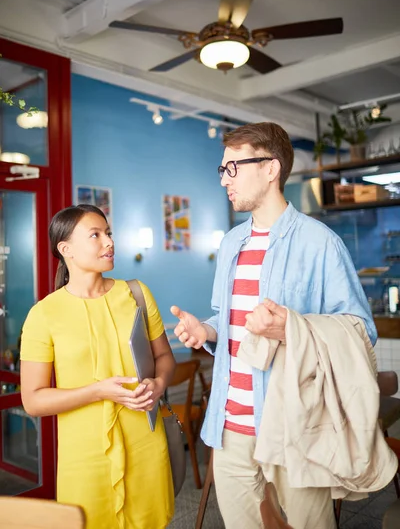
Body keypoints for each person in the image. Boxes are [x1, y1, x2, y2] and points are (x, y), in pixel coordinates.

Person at [171, 122, 377, 529]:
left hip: (295, 424)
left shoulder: (321, 243)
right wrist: (206, 331)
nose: (224, 181)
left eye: (233, 168)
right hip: (231, 424)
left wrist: (293, 328)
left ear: (270, 168)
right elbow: (226, 318)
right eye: (221, 170)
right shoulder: (231, 244)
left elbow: (360, 329)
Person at [20, 204, 175, 529]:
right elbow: (33, 400)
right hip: (84, 456)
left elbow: (164, 358)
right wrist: (98, 391)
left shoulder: (136, 294)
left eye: (108, 233)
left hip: (145, 443)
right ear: (66, 249)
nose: (109, 242)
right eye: (96, 235)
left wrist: (158, 385)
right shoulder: (44, 314)